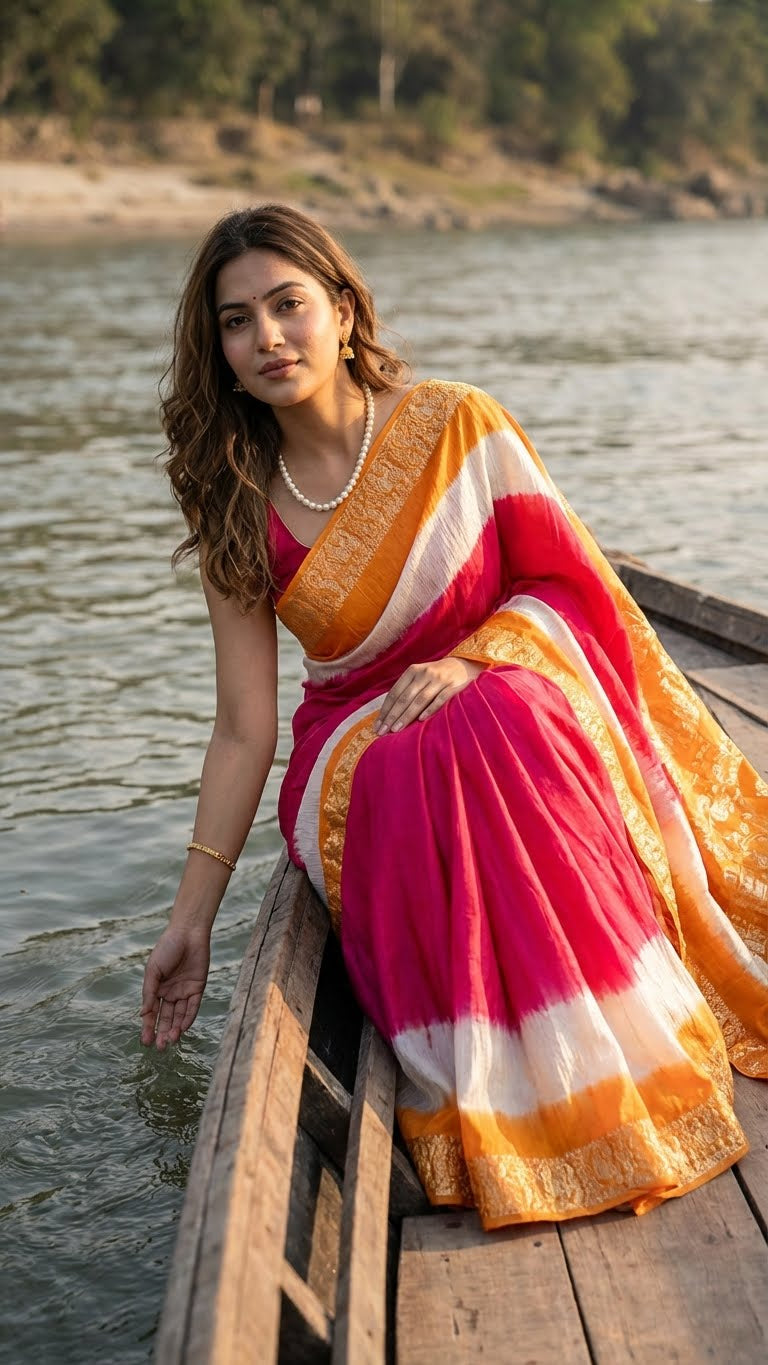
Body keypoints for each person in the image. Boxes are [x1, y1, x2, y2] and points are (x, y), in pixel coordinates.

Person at [140, 203, 768, 1228]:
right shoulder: (237, 496)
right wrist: (189, 922)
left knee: (493, 718)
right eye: (236, 320)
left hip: (518, 702)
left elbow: (575, 591)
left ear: (342, 310)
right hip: (353, 744)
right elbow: (245, 727)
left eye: (288, 306)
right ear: (217, 345)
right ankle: (508, 1093)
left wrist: (474, 657)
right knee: (419, 755)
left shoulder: (455, 424)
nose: (267, 339)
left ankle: (611, 1061)